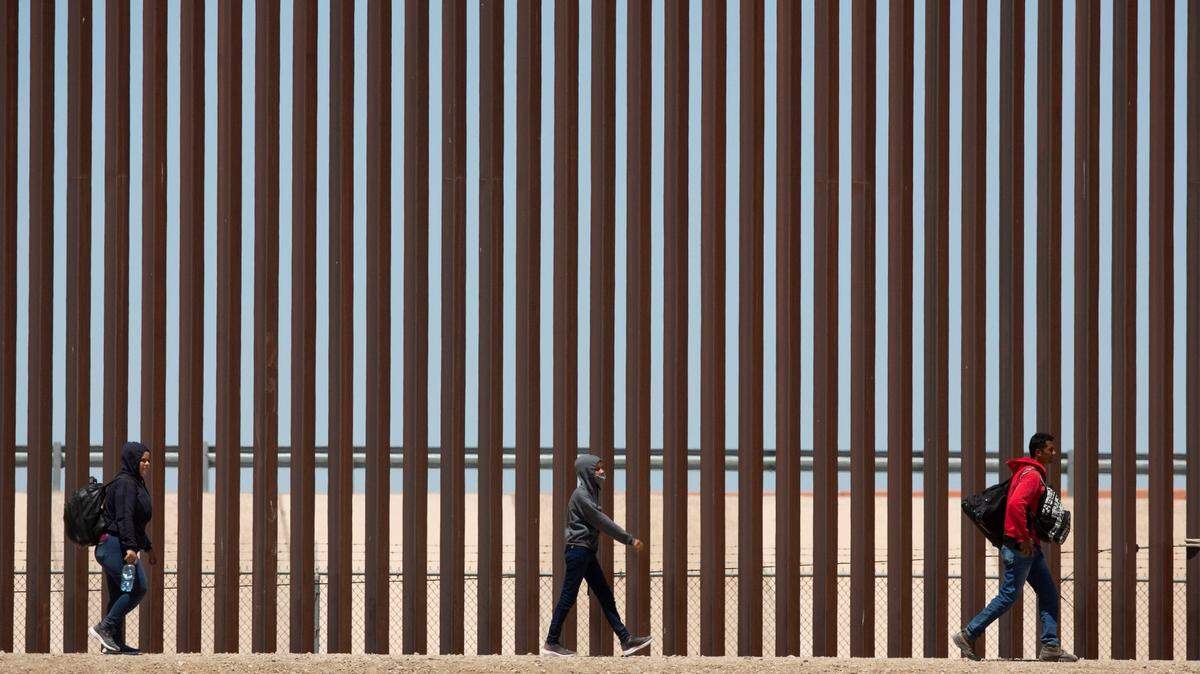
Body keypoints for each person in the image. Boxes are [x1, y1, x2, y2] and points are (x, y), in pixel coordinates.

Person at [952, 432, 1078, 662]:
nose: (1054, 453)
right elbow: (1015, 505)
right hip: (1021, 546)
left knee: (1049, 593)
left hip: (1029, 547)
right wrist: (1023, 539)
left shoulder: (1027, 473)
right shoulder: (1031, 476)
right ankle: (968, 634)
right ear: (1038, 452)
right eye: (1050, 449)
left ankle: (1050, 645)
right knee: (1009, 594)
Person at [541, 454, 652, 657]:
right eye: (597, 469)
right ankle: (551, 642)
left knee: (604, 594)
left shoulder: (590, 494)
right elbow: (602, 522)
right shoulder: (581, 496)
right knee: (568, 596)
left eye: (602, 468)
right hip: (579, 551)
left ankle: (626, 640)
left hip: (586, 552)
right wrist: (629, 539)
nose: (602, 472)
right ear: (587, 472)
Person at [89, 442, 155, 655]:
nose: (146, 464)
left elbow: (135, 523)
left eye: (148, 460)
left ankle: (112, 644)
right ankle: (104, 628)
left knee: (120, 592)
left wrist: (148, 547)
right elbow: (124, 518)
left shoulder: (135, 482)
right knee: (137, 587)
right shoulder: (126, 483)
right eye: (142, 460)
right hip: (114, 546)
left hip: (116, 544)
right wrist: (130, 548)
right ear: (132, 461)